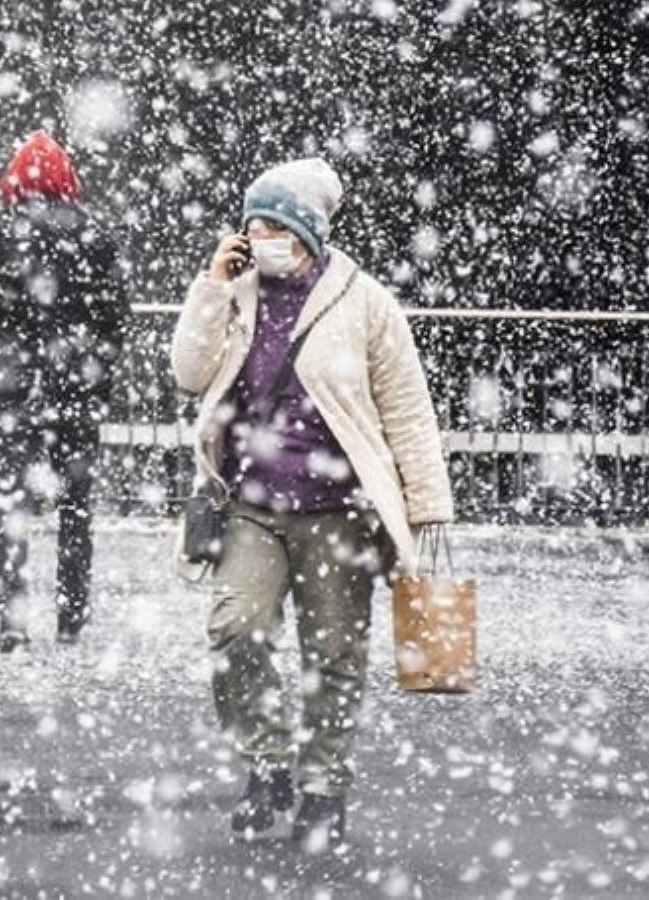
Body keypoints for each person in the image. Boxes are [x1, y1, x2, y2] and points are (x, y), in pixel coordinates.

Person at [169, 158, 454, 848]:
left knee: (332, 655)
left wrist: (427, 508)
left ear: (306, 230)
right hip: (251, 505)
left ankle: (324, 787)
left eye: (273, 226)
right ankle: (267, 763)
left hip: (337, 510)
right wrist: (211, 285)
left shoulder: (364, 302)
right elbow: (188, 372)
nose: (260, 238)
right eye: (251, 227)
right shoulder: (236, 292)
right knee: (235, 630)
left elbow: (408, 411)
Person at [0, 130, 131, 652]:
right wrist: (97, 372)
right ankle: (71, 614)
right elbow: (113, 319)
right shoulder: (95, 236)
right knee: (75, 507)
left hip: (14, 389)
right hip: (75, 387)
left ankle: (12, 617)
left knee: (10, 504)